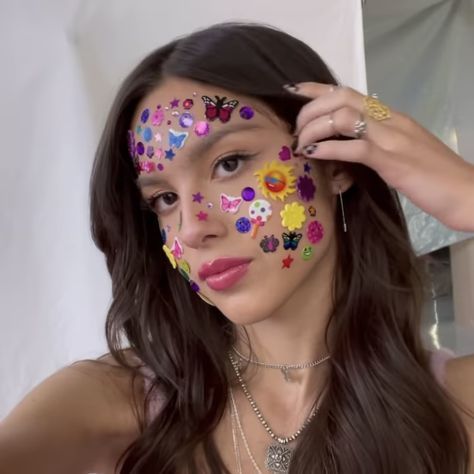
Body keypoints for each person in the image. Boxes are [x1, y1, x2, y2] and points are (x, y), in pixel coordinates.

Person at [0, 22, 473, 474]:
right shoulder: (116, 403)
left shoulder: (456, 405)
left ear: (334, 165)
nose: (191, 228)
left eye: (229, 163)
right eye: (164, 199)